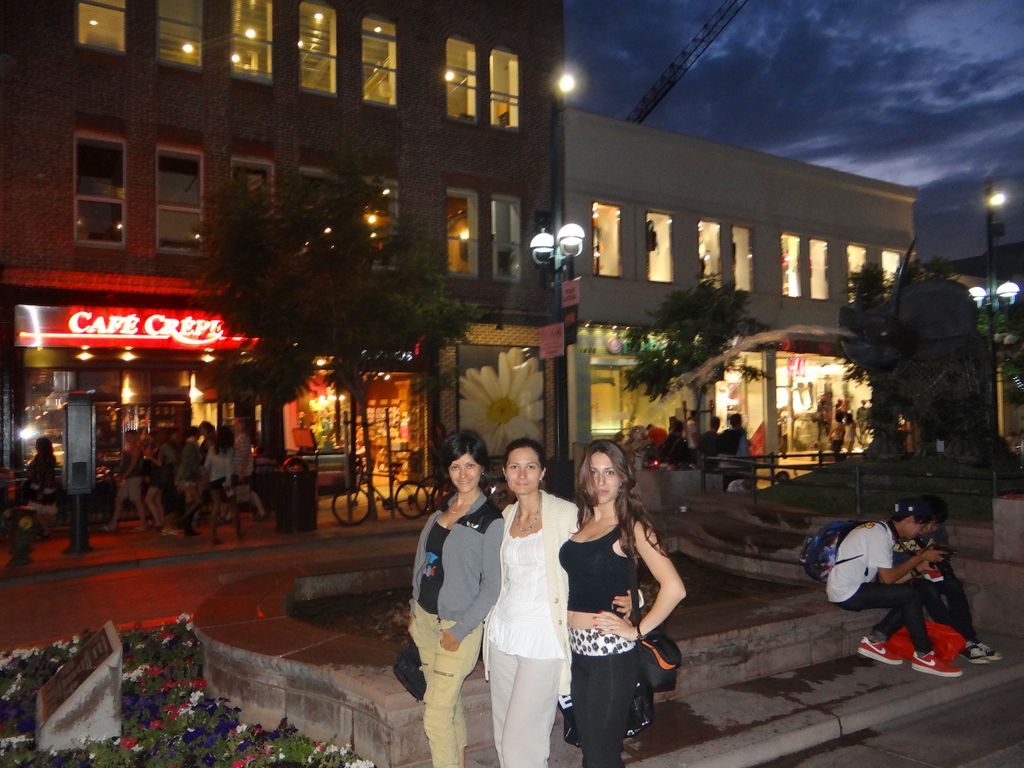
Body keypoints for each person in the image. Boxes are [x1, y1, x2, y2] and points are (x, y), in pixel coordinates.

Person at [559, 439, 686, 768]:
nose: (601, 481)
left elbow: (674, 588)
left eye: (609, 473)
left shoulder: (632, 527)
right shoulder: (584, 521)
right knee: (593, 752)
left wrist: (636, 631)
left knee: (600, 756)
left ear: (622, 479)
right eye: (594, 472)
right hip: (579, 653)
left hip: (611, 656)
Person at [409, 430, 502, 768]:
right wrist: (413, 607)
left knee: (435, 715)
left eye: (470, 465)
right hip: (425, 622)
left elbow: (492, 586)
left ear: (482, 468)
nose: (463, 474)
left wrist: (460, 630)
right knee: (447, 705)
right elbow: (423, 561)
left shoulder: (490, 520)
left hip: (457, 628)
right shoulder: (442, 509)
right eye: (455, 466)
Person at [484, 437, 578, 768]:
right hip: (503, 635)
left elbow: (592, 561)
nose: (522, 474)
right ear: (505, 472)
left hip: (543, 639)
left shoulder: (564, 514)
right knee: (503, 736)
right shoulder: (505, 516)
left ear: (542, 472)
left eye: (530, 466)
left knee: (521, 743)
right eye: (514, 466)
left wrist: (625, 598)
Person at [826, 498, 962, 678]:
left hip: (853, 588)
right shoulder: (879, 535)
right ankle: (924, 655)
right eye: (920, 526)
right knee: (911, 594)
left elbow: (888, 581)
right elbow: (888, 579)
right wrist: (920, 557)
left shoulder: (882, 532)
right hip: (847, 592)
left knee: (917, 589)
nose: (919, 532)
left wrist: (919, 569)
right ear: (909, 520)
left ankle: (875, 641)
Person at [893, 494, 1001, 664]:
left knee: (953, 585)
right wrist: (920, 564)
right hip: (908, 577)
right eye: (928, 523)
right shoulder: (901, 534)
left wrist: (939, 558)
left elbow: (941, 548)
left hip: (928, 573)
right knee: (928, 591)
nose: (932, 528)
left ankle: (969, 638)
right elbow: (895, 571)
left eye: (936, 524)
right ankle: (960, 640)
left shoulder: (937, 530)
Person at [106, 429, 145, 532]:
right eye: (126, 436)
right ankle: (113, 523)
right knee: (119, 499)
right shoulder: (130, 448)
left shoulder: (135, 449)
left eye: (129, 436)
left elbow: (133, 464)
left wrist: (124, 475)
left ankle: (143, 524)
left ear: (134, 437)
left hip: (133, 477)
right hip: (129, 477)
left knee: (136, 500)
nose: (127, 438)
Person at [205, 424, 236, 545]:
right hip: (224, 480)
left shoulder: (213, 449)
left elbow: (207, 465)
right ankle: (238, 531)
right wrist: (228, 482)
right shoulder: (229, 449)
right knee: (233, 504)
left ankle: (212, 535)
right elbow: (229, 467)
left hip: (214, 479)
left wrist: (207, 479)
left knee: (216, 507)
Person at [25, 437, 60, 537]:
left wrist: (41, 490)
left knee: (36, 510)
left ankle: (46, 530)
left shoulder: (41, 458)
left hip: (40, 487)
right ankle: (47, 530)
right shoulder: (50, 457)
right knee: (46, 511)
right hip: (47, 487)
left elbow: (43, 475)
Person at [176, 426, 203, 537]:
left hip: (185, 476)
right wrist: (199, 474)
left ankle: (187, 527)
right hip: (188, 477)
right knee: (198, 501)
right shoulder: (192, 446)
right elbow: (193, 462)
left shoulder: (187, 445)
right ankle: (184, 520)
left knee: (190, 501)